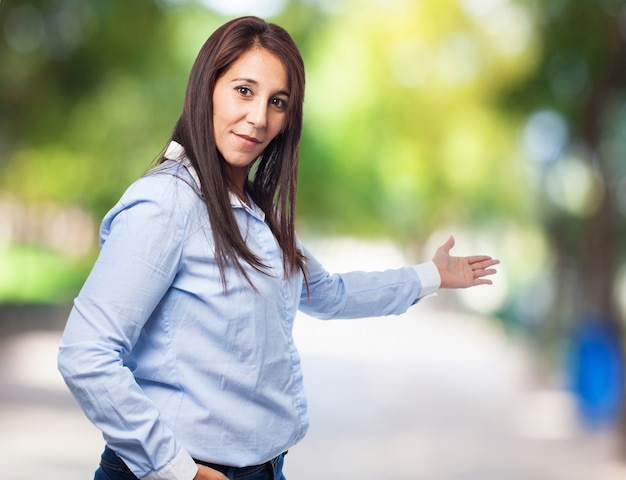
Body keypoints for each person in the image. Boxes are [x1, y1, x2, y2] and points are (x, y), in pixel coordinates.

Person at [58, 16, 499, 480]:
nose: (259, 118)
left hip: (263, 469)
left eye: (278, 102)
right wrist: (176, 469)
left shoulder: (253, 214)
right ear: (206, 88)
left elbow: (331, 293)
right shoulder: (167, 203)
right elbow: (86, 353)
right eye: (244, 91)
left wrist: (432, 275)